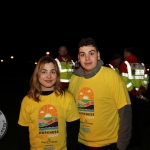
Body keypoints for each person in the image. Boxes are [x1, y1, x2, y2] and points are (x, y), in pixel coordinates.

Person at [68, 37, 132, 150]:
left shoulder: (112, 77)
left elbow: (125, 112)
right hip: (80, 142)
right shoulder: (74, 79)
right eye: (82, 54)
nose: (87, 58)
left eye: (91, 53)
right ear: (78, 57)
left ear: (98, 55)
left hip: (108, 144)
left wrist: (122, 145)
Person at [18, 55, 80, 150]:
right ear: (37, 74)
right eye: (44, 72)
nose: (48, 76)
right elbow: (23, 132)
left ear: (57, 75)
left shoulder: (67, 98)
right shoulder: (28, 100)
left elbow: (73, 130)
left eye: (52, 72)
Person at [119, 47, 149, 148]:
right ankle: (139, 140)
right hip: (140, 96)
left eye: (124, 53)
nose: (123, 55)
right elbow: (146, 80)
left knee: (128, 120)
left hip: (130, 96)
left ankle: (131, 142)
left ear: (127, 53)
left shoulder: (125, 64)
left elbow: (124, 81)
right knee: (138, 118)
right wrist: (141, 90)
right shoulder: (142, 64)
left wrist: (133, 92)